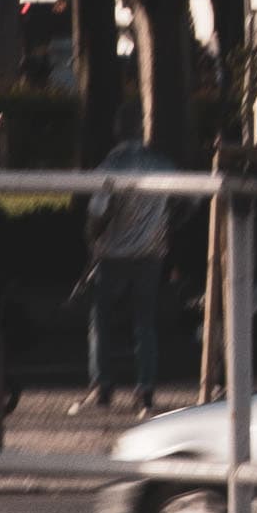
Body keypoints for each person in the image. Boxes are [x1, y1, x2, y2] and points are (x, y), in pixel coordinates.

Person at [83, 120, 170, 414]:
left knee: (101, 322)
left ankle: (102, 386)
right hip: (151, 253)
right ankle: (145, 388)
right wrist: (164, 228)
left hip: (113, 254)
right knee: (145, 323)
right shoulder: (161, 164)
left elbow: (97, 211)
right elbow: (191, 199)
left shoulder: (111, 165)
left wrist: (92, 241)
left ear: (116, 133)